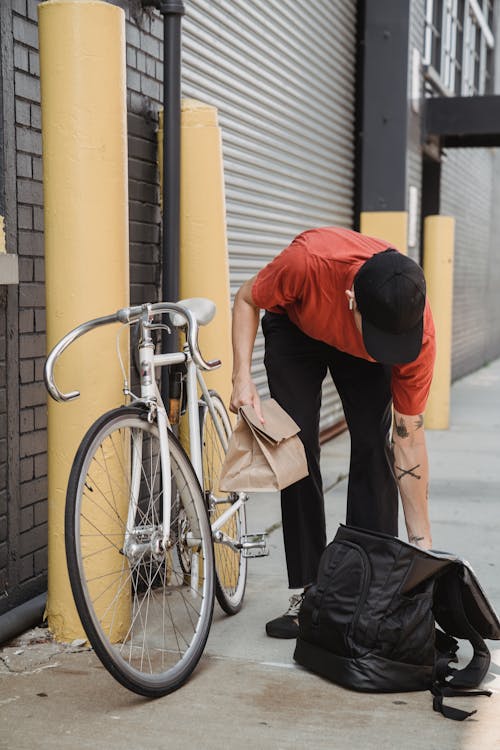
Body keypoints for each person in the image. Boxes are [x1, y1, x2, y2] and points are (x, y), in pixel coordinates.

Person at [229, 226, 436, 639]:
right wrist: (240, 377)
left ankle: (370, 589)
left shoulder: (413, 332)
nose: (392, 351)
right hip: (296, 328)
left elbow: (408, 442)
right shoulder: (305, 264)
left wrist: (423, 550)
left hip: (360, 345)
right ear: (352, 301)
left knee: (375, 449)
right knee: (297, 451)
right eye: (384, 340)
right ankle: (311, 591)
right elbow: (247, 298)